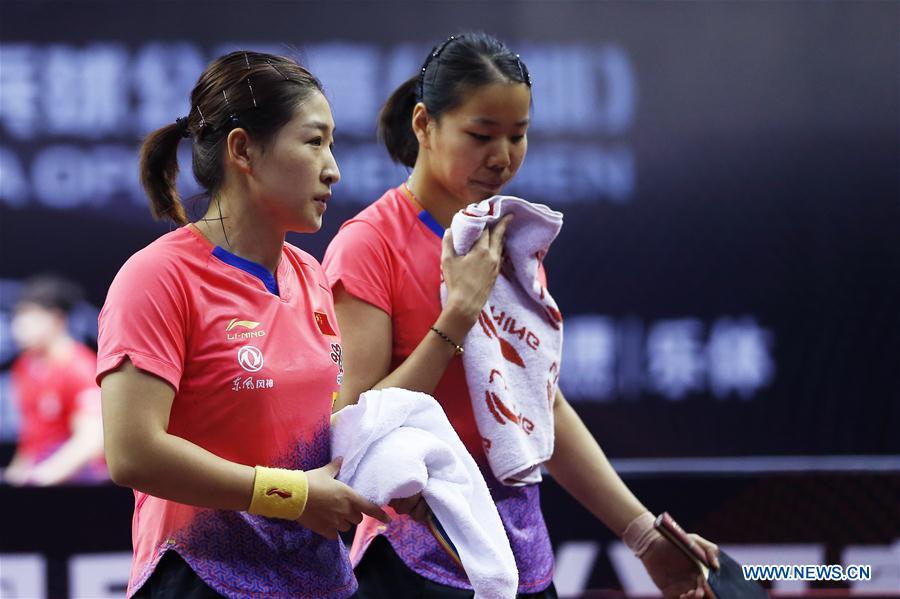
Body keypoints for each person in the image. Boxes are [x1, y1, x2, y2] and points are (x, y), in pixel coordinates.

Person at [323, 33, 720, 599]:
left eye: (518, 134)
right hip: (412, 556)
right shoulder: (368, 245)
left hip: (520, 548)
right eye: (481, 134)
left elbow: (538, 407)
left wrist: (643, 535)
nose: (502, 155)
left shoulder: (505, 241)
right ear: (423, 125)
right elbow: (351, 428)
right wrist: (454, 320)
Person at [97, 50, 388, 599]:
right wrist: (292, 496)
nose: (333, 168)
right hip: (200, 579)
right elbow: (133, 451)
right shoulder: (157, 278)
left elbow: (318, 433)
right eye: (313, 141)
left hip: (320, 582)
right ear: (242, 149)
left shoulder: (311, 275)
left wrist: (391, 474)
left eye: (332, 144)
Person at [4, 275, 106, 486]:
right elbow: (31, 443)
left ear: (57, 319)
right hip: (40, 475)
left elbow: (92, 440)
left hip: (79, 483)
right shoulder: (22, 368)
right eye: (18, 316)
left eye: (29, 316)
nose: (19, 325)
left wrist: (42, 477)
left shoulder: (79, 368)